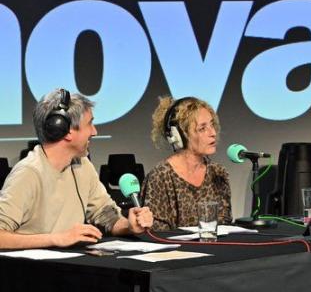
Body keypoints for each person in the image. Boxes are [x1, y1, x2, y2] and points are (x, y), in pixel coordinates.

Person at [0, 89, 153, 249]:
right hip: (29, 271)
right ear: (65, 130)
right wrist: (55, 239)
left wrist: (129, 225)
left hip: (68, 268)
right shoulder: (28, 173)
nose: (94, 132)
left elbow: (104, 215)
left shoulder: (83, 165)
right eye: (89, 124)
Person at [142, 97, 232, 230]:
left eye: (212, 125)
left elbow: (225, 226)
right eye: (202, 128)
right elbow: (157, 233)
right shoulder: (161, 177)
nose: (213, 133)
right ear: (179, 136)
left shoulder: (218, 174)